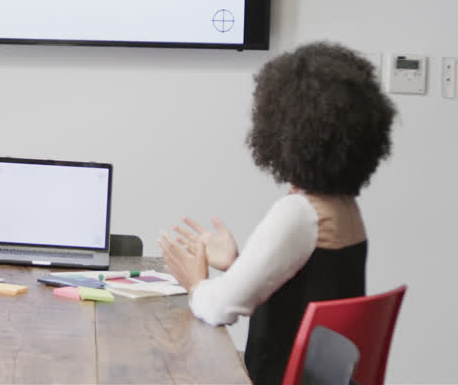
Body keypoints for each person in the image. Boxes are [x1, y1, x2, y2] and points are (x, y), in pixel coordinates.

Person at [160, 42, 395, 385]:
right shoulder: (346, 209)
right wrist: (237, 264)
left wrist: (196, 283)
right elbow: (302, 286)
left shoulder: (300, 213)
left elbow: (220, 308)